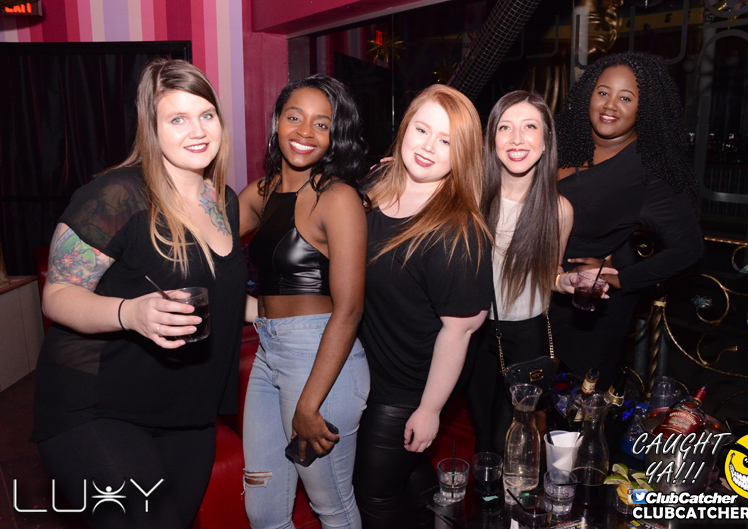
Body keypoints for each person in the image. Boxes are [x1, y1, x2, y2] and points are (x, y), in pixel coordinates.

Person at [32, 59, 247, 528]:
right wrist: (130, 313)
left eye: (206, 115)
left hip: (187, 412)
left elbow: (222, 291)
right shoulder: (116, 195)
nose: (198, 130)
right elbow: (58, 295)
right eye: (177, 119)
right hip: (99, 407)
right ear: (151, 128)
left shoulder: (223, 200)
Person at [352, 84, 493, 528]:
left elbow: (461, 330)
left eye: (447, 141)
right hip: (366, 368)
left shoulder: (459, 232)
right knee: (407, 475)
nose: (429, 146)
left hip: (409, 384)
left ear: (463, 153)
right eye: (422, 130)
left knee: (373, 495)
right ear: (404, 129)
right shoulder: (374, 186)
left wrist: (429, 409)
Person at [238, 74, 370, 529]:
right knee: (263, 510)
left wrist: (310, 406)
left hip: (321, 361)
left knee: (332, 509)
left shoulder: (337, 198)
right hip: (268, 352)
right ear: (277, 122)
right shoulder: (264, 191)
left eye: (322, 124)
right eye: (294, 117)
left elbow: (350, 309)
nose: (305, 132)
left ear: (335, 136)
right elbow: (209, 235)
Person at [550, 51, 704, 389]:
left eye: (626, 98)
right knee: (520, 393)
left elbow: (688, 248)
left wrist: (622, 277)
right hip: (534, 287)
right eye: (603, 92)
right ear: (588, 94)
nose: (610, 105)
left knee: (575, 405)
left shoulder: (648, 170)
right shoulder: (561, 141)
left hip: (585, 309)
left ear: (644, 108)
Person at [466, 90, 579, 454]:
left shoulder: (558, 210)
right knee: (480, 433)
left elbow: (550, 274)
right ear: (492, 140)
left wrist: (566, 281)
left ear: (545, 142)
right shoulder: (471, 198)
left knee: (512, 437)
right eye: (505, 127)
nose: (516, 138)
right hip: (472, 332)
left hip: (526, 337)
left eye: (529, 127)